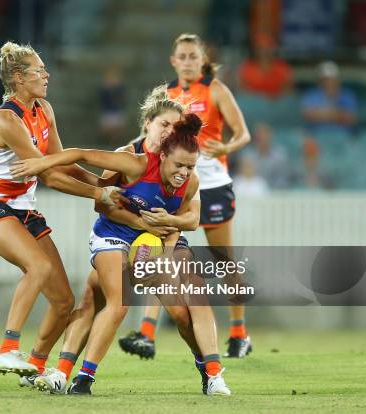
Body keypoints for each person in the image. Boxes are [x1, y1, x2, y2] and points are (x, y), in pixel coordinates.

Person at [11, 101, 231, 396]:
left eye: (175, 126)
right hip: (116, 235)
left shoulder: (186, 169)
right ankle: (71, 375)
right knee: (109, 300)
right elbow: (101, 199)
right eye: (164, 124)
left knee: (184, 307)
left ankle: (209, 370)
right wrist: (42, 163)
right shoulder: (131, 160)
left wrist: (165, 237)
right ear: (147, 124)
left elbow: (189, 219)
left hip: (159, 239)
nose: (169, 130)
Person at [0, 41, 122, 378]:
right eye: (40, 70)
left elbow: (61, 163)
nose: (47, 75)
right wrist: (103, 196)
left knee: (64, 301)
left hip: (23, 211)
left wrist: (104, 186)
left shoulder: (44, 109)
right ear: (20, 79)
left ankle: (36, 366)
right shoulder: (8, 119)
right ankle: (7, 349)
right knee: (37, 266)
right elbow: (50, 175)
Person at [120, 33, 252, 359]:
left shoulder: (216, 90)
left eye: (194, 56)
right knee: (160, 251)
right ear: (174, 61)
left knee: (224, 259)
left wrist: (226, 147)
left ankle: (239, 333)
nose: (189, 61)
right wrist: (132, 151)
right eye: (184, 56)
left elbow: (243, 133)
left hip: (213, 184)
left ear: (202, 59)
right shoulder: (167, 94)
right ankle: (146, 334)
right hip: (176, 184)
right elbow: (151, 132)